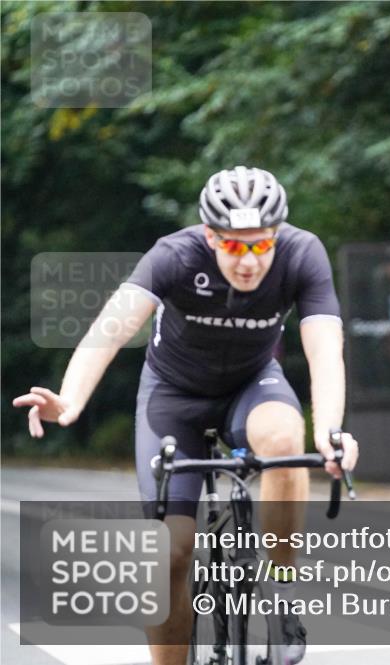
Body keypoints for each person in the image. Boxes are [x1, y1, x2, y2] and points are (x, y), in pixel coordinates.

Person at [12, 166, 359, 665]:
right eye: (234, 246)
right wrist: (69, 400)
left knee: (285, 444)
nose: (247, 261)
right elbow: (111, 329)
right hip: (173, 396)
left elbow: (325, 350)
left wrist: (330, 433)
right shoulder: (175, 254)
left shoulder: (302, 253)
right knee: (171, 552)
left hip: (251, 383)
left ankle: (282, 594)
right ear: (210, 235)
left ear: (276, 236)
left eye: (259, 246)